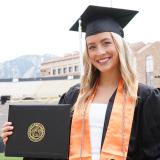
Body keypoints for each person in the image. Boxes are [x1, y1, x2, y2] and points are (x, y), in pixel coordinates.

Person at [1, 5, 160, 160]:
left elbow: (153, 152)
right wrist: (19, 139)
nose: (99, 52)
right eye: (92, 47)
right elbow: (52, 145)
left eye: (106, 43)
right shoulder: (74, 96)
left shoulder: (144, 97)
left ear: (119, 46)